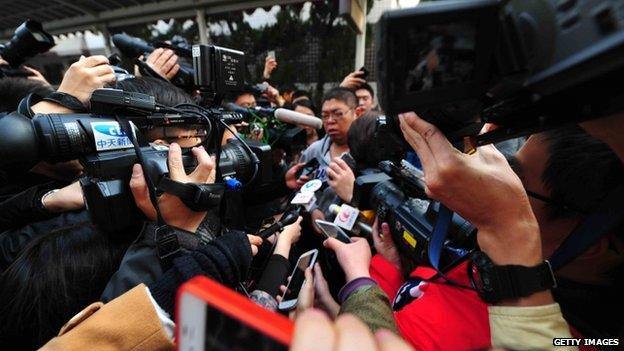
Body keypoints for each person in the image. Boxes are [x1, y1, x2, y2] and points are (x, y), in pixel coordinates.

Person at [285, 87, 363, 189]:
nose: (330, 120)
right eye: (325, 116)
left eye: (338, 114)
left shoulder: (369, 151)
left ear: (357, 113)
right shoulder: (313, 151)